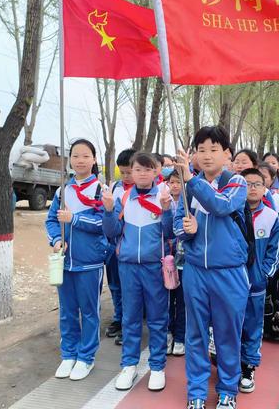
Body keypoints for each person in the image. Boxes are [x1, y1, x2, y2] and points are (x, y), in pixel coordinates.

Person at [174, 126, 249, 409]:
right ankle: (196, 392)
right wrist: (187, 230)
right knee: (196, 334)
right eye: (201, 150)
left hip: (229, 272)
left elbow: (221, 206)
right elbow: (175, 225)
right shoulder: (187, 187)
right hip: (195, 271)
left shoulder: (236, 183)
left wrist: (190, 180)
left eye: (213, 150)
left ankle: (228, 389)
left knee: (227, 333)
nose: (206, 156)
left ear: (227, 154)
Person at [102, 152, 173, 392]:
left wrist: (167, 210)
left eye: (148, 169)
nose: (142, 173)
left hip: (155, 267)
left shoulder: (165, 195)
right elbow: (112, 232)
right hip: (128, 267)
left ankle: (157, 366)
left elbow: (170, 232)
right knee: (130, 318)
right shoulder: (123, 198)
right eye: (137, 169)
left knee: (157, 318)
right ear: (130, 172)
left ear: (156, 172)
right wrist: (109, 210)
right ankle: (129, 365)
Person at [46, 139, 109, 381]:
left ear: (94, 160)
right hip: (65, 262)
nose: (80, 160)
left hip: (90, 263)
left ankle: (86, 357)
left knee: (90, 311)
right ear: (69, 160)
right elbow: (51, 221)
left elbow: (105, 224)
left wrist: (74, 219)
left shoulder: (99, 190)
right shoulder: (63, 191)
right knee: (67, 311)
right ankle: (69, 354)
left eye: (85, 156)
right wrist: (55, 240)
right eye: (75, 156)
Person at [238, 168, 279, 394]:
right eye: (247, 184)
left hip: (256, 285)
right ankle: (230, 363)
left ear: (265, 189)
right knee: (229, 326)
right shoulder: (232, 214)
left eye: (257, 184)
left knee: (253, 326)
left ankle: (248, 367)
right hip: (231, 284)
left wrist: (263, 275)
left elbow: (275, 251)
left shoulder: (271, 216)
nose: (252, 188)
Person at [104, 149, 136, 342]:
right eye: (122, 172)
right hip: (114, 246)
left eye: (129, 172)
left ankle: (129, 324)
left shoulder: (144, 189)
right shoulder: (115, 187)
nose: (126, 176)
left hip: (131, 249)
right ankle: (118, 318)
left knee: (130, 289)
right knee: (115, 286)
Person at [166, 170, 187, 357]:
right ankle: (169, 334)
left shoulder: (188, 203)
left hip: (184, 262)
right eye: (171, 182)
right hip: (166, 261)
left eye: (178, 182)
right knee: (167, 300)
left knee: (182, 301)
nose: (175, 186)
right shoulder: (165, 202)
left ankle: (180, 336)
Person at [258, 162, 279, 269]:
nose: (260, 179)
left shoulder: (278, 200)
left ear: (272, 179)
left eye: (264, 177)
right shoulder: (246, 198)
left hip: (271, 251)